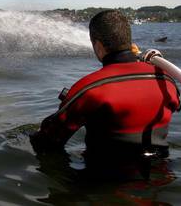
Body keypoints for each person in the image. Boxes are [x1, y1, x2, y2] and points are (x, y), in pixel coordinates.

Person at [30, 10, 180, 160]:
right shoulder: (168, 81)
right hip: (162, 175)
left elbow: (47, 142)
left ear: (98, 46)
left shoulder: (90, 89)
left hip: (105, 179)